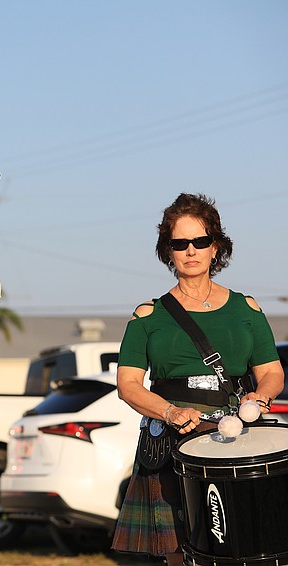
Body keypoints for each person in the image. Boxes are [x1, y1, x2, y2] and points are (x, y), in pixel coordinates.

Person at [112, 193, 284, 566]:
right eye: (180, 243)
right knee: (181, 553)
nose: (191, 250)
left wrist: (261, 397)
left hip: (236, 436)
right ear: (168, 251)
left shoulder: (247, 309)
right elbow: (127, 385)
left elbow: (271, 371)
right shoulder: (147, 316)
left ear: (215, 246)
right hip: (173, 440)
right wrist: (170, 413)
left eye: (200, 241)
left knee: (246, 544)